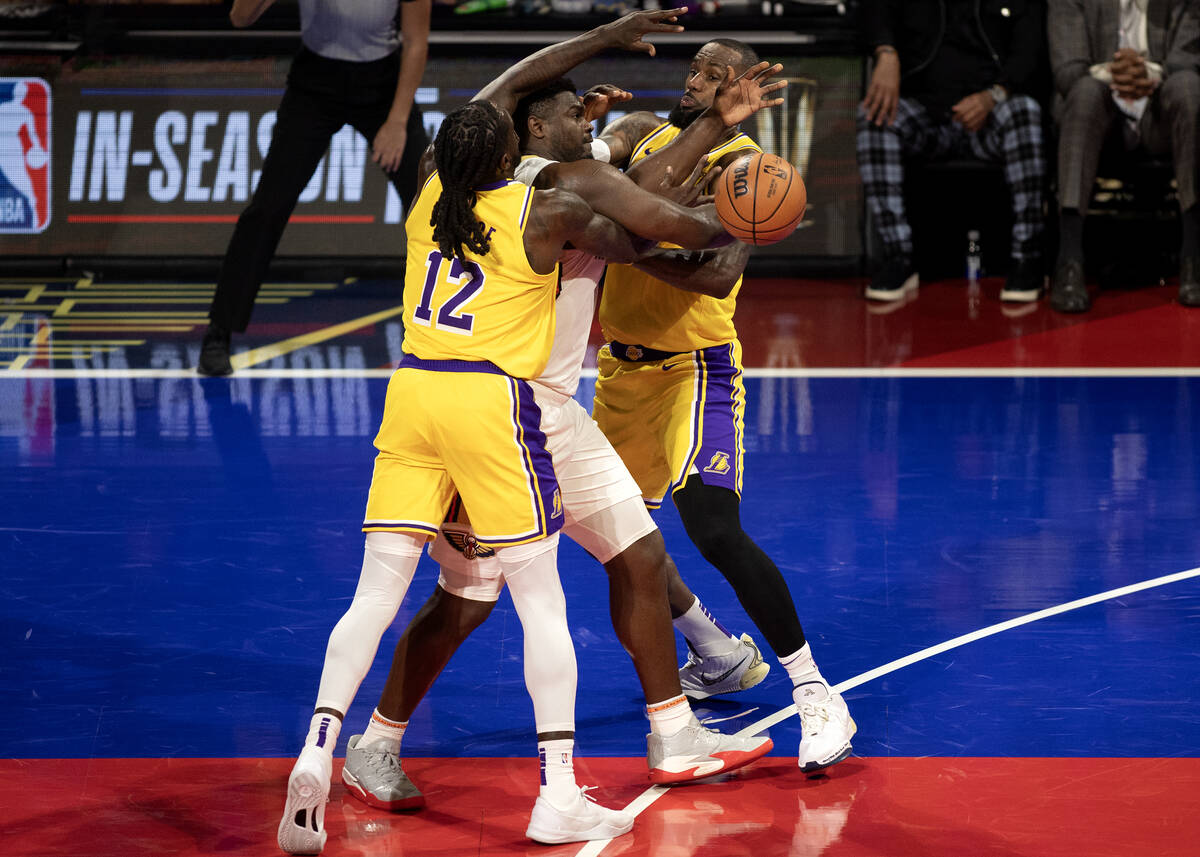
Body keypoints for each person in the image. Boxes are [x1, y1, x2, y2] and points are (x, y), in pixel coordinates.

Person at [337, 11, 788, 831]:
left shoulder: (480, 169)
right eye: (579, 113)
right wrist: (738, 211)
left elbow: (566, 124)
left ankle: (675, 734)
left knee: (641, 557)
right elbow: (652, 206)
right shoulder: (555, 189)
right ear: (534, 131)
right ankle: (374, 740)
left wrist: (675, 97)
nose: (597, 122)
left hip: (549, 414)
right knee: (466, 600)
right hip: (494, 416)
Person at [276, 100, 651, 854]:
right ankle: (556, 792)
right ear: (510, 155)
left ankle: (318, 745)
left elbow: (495, 104)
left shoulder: (425, 200)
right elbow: (643, 235)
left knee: (372, 597)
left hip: (412, 395)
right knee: (541, 602)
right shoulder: (537, 212)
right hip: (489, 404)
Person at [592, 37, 857, 774]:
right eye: (697, 67)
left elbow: (714, 276)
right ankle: (715, 650)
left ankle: (815, 690)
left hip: (695, 369)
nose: (697, 78)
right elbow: (607, 168)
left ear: (741, 89)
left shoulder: (748, 171)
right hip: (621, 371)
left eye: (716, 73)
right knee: (611, 538)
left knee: (712, 525)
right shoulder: (642, 128)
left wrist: (621, 242)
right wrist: (613, 186)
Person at [197, 0, 432, 376]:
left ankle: (459, 329)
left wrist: (397, 122)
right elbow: (239, 18)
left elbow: (416, 42)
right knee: (267, 209)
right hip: (315, 84)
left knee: (432, 203)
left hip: (383, 84)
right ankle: (218, 332)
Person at [857, 0, 1048, 303]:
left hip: (990, 119)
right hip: (927, 117)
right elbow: (872, 10)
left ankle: (1027, 258)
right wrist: (885, 51)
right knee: (875, 116)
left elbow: (1031, 53)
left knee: (1024, 112)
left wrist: (993, 96)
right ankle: (897, 257)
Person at [1047, 0, 1200, 311]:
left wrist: (1148, 73)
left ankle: (1194, 257)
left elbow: (1188, 60)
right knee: (1084, 92)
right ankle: (1070, 261)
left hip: (1160, 115)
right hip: (1103, 118)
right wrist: (1115, 73)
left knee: (1189, 88)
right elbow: (1067, 70)